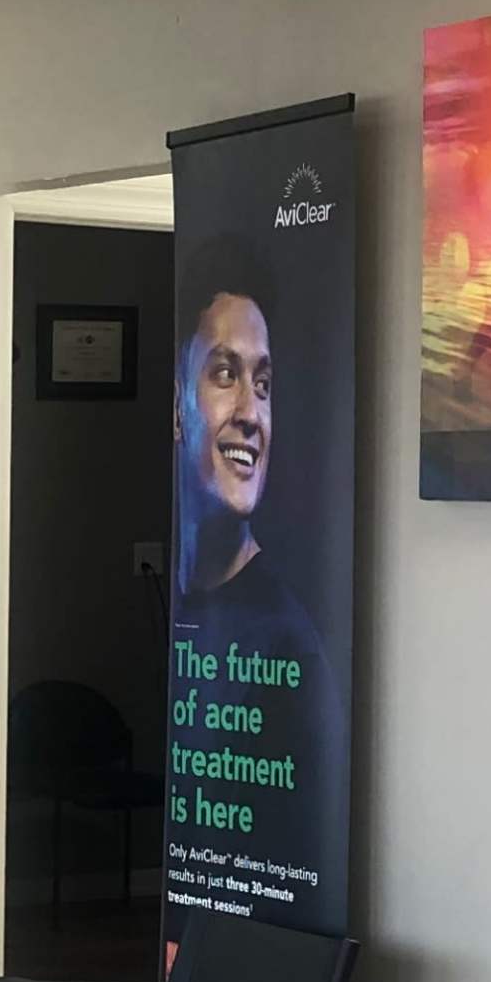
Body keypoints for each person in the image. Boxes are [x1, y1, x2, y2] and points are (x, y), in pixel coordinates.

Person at [171, 233, 346, 907]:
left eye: (263, 384)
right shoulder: (188, 605)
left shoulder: (291, 652)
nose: (251, 412)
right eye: (224, 374)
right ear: (176, 404)